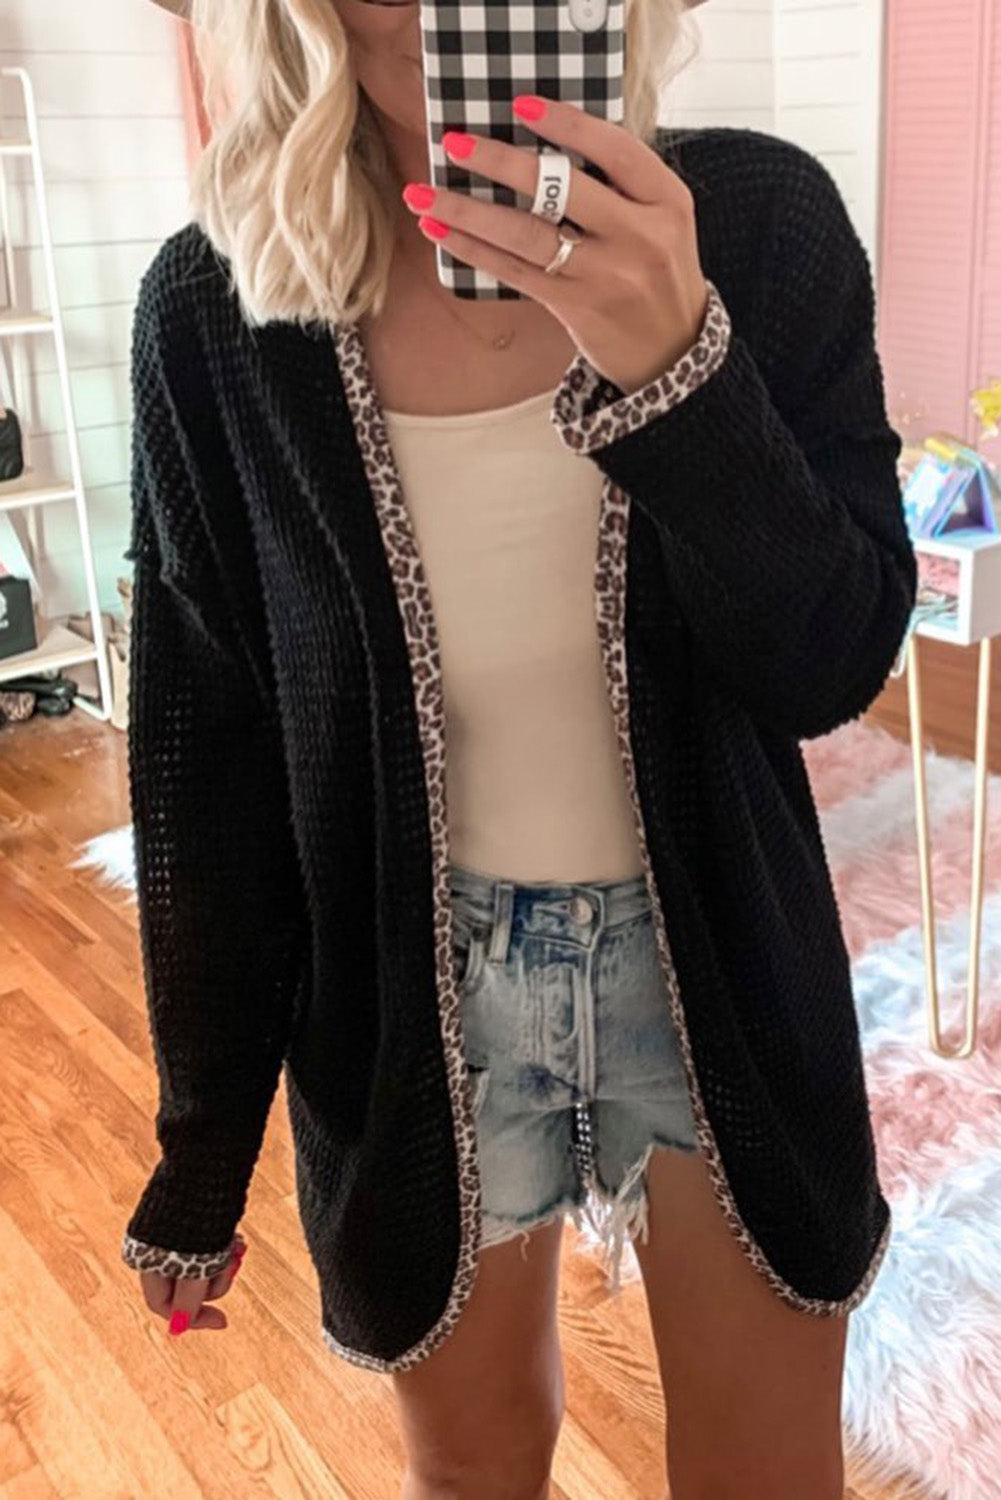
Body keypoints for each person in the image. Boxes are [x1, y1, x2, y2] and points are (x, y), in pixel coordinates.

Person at [122, 0, 917, 1495]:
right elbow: (207, 767)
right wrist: (202, 1142)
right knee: (472, 1475)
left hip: (720, 965)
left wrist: (677, 365)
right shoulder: (214, 316)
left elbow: (832, 659)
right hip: (411, 997)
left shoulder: (753, 227)